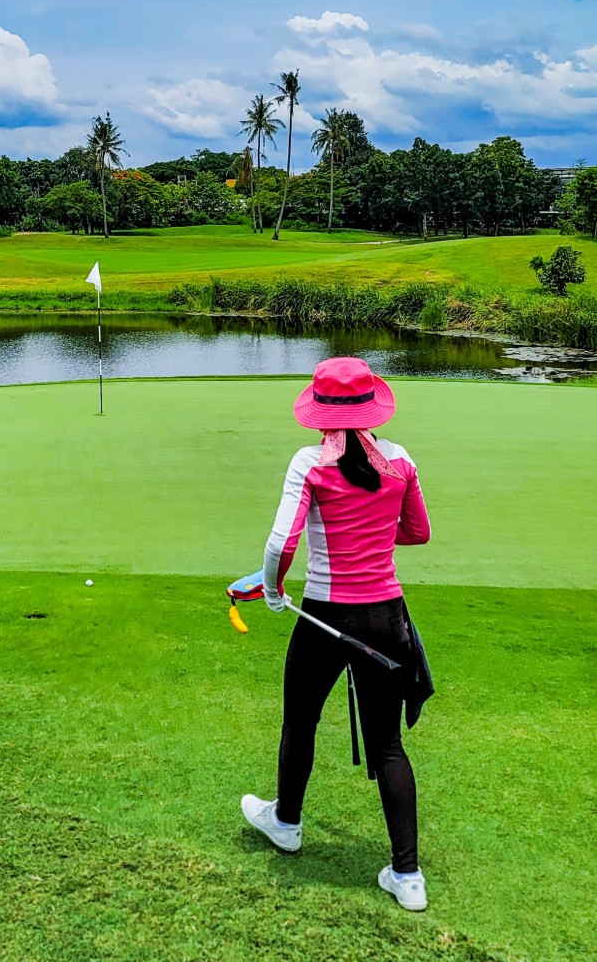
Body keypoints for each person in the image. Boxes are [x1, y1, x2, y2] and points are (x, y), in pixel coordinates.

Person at [240, 356, 432, 912]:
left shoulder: (309, 462)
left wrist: (274, 593)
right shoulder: (401, 461)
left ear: (320, 411)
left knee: (300, 721)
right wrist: (373, 532)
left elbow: (281, 544)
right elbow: (418, 532)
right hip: (385, 617)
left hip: (325, 617)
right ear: (373, 406)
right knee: (389, 744)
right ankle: (408, 875)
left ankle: (287, 823)